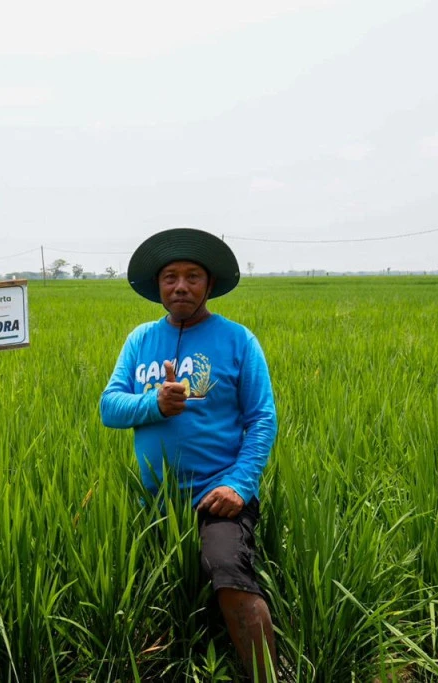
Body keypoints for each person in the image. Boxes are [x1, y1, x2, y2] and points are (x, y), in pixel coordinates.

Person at [99, 227, 278, 680]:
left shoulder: (238, 341)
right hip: (153, 503)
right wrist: (153, 404)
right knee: (125, 584)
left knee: (226, 569)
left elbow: (262, 419)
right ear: (158, 286)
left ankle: (270, 675)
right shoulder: (140, 339)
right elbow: (108, 407)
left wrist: (239, 485)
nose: (181, 286)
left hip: (216, 495)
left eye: (193, 276)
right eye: (171, 277)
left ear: (209, 284)